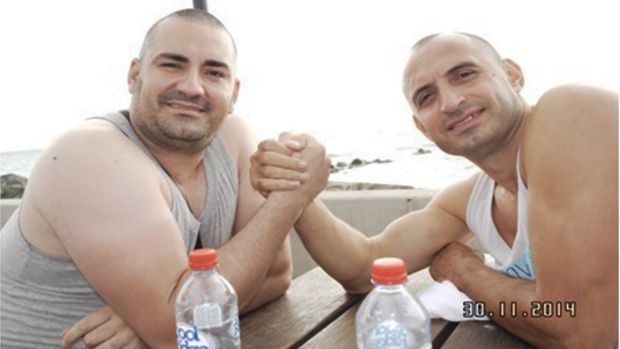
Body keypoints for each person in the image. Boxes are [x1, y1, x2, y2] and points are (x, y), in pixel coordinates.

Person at [250, 32, 618, 348]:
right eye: (426, 97)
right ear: (423, 128)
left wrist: (464, 270)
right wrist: (294, 185)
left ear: (512, 75)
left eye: (464, 74)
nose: (451, 102)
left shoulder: (570, 111)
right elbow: (366, 267)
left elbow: (581, 328)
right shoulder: (471, 199)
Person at [0, 9, 331, 348]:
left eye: (214, 72)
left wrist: (173, 315)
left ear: (233, 92)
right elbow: (174, 334)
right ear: (134, 75)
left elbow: (275, 276)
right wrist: (291, 198)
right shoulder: (89, 152)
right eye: (172, 65)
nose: (192, 87)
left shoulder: (232, 140)